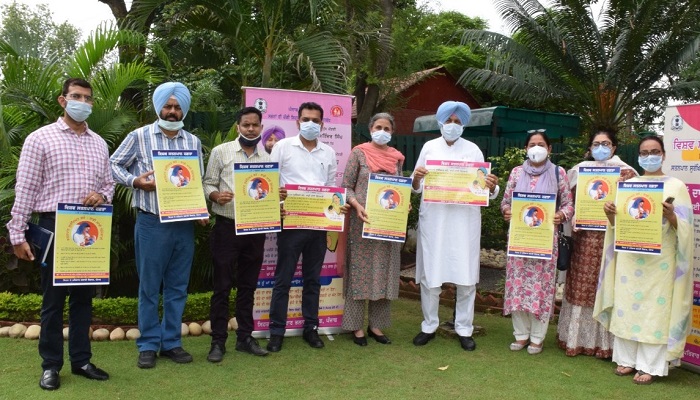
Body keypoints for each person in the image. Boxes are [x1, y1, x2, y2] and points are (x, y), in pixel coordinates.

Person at [7, 78, 114, 390]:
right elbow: (25, 188)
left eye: (88, 98)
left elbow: (108, 184)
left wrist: (101, 196)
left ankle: (81, 360)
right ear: (62, 100)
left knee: (84, 299)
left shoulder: (99, 143)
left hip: (91, 227)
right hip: (54, 226)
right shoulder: (40, 139)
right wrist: (17, 234)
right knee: (53, 301)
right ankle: (51, 365)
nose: (83, 101)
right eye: (76, 96)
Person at [110, 82, 206, 369]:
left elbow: (195, 180)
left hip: (184, 224)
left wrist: (200, 210)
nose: (172, 111)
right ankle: (149, 343)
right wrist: (136, 181)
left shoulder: (192, 142)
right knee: (150, 287)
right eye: (168, 105)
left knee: (177, 287)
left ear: (184, 109)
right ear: (158, 107)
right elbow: (113, 165)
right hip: (152, 223)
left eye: (177, 107)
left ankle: (172, 343)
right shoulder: (139, 136)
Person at [594, 135, 694, 384]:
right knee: (627, 305)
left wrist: (671, 217)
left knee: (655, 310)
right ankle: (627, 360)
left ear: (663, 154)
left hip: (660, 262)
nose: (649, 155)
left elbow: (687, 229)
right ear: (638, 156)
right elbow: (620, 226)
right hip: (630, 258)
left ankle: (650, 365)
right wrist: (609, 215)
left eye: (655, 151)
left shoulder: (676, 186)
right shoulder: (630, 186)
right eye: (645, 151)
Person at [411, 101, 500, 351]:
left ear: (464, 125)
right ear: (440, 122)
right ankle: (429, 325)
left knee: (466, 277)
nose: (452, 126)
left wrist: (492, 187)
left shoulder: (473, 150)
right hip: (435, 221)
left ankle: (464, 328)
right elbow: (415, 186)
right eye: (449, 121)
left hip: (464, 221)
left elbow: (483, 187)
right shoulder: (429, 147)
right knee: (431, 276)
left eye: (457, 122)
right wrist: (416, 179)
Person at [557, 129, 637, 358]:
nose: (601, 147)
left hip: (611, 242)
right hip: (583, 241)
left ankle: (607, 344)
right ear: (590, 148)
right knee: (582, 288)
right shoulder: (579, 171)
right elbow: (566, 203)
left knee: (608, 284)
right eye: (596, 143)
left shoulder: (627, 173)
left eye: (606, 143)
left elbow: (633, 208)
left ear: (614, 147)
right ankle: (575, 339)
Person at [203, 106, 274, 363]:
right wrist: (215, 195)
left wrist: (278, 198)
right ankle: (217, 341)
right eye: (246, 125)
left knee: (248, 286)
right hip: (226, 225)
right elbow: (207, 182)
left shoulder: (267, 157)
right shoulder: (221, 152)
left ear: (261, 127)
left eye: (255, 125)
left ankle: (245, 337)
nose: (251, 129)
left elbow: (268, 192)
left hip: (255, 229)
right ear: (238, 127)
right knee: (221, 286)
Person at [267, 102, 340, 352]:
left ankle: (311, 328)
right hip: (291, 223)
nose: (311, 123)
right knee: (283, 279)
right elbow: (271, 182)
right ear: (297, 122)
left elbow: (331, 187)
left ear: (322, 124)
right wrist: (278, 202)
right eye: (306, 119)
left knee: (313, 280)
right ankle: (276, 331)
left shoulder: (328, 152)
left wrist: (336, 208)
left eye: (316, 120)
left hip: (318, 225)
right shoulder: (282, 147)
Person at [500, 130, 573, 355]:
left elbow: (569, 205)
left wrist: (561, 215)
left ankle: (538, 337)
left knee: (541, 288)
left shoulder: (559, 173)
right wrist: (507, 212)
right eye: (532, 144)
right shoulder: (516, 172)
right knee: (518, 286)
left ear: (549, 149)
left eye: (541, 144)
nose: (537, 148)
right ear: (526, 148)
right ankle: (521, 335)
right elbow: (505, 202)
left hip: (544, 240)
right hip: (520, 240)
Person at [341, 113, 406, 346]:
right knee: (360, 272)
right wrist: (356, 205)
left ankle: (376, 326)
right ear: (370, 129)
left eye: (387, 128)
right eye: (378, 126)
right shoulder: (359, 153)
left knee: (384, 271)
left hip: (388, 225)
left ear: (392, 131)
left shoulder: (397, 158)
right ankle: (356, 326)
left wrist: (404, 202)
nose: (382, 131)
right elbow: (346, 187)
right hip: (363, 222)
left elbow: (400, 187)